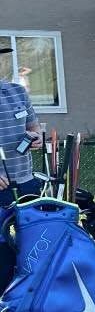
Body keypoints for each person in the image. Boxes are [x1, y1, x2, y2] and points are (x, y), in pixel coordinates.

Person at [0, 47, 42, 209]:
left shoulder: (18, 91)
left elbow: (34, 127)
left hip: (26, 182)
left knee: (32, 233)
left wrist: (36, 137)